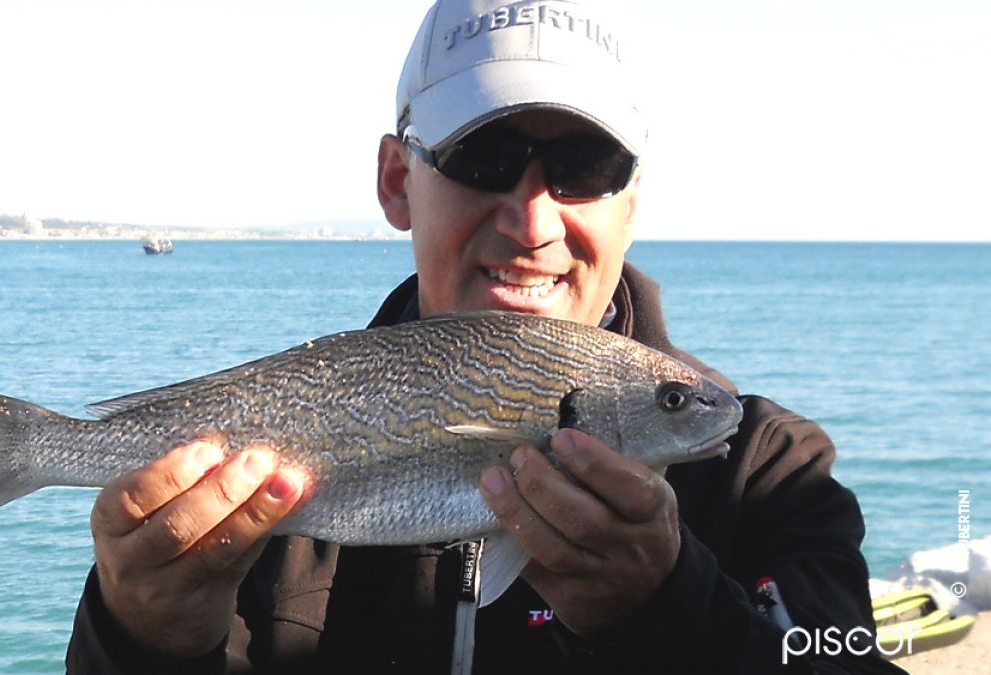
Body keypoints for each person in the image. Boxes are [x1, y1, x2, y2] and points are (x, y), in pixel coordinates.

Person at [67, 1, 907, 672]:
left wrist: (670, 609)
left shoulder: (769, 474)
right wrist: (143, 638)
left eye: (584, 166)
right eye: (484, 156)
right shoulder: (260, 450)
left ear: (632, 203)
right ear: (399, 181)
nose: (532, 220)